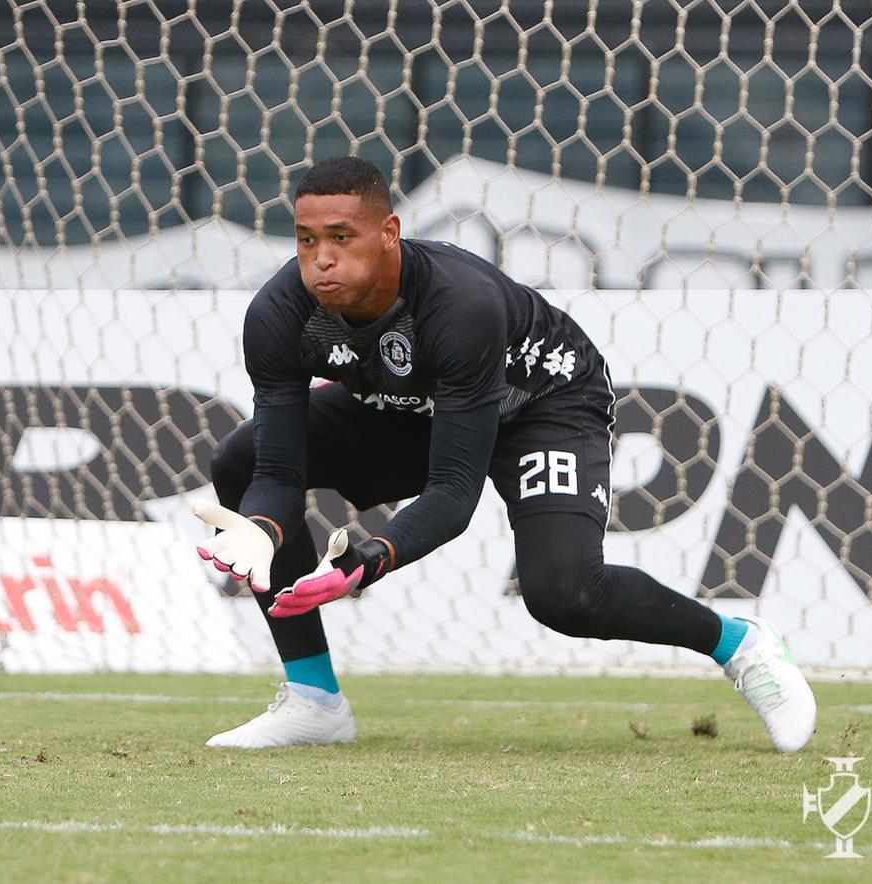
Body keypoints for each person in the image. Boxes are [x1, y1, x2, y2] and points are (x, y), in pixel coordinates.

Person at [192, 156, 817, 752]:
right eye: (305, 240)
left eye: (340, 237)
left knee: (565, 594)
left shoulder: (459, 304)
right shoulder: (279, 314)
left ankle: (742, 646)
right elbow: (277, 470)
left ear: (389, 233)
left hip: (541, 405)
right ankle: (313, 701)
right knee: (237, 461)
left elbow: (454, 494)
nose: (321, 260)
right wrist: (264, 530)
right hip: (410, 408)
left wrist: (371, 560)